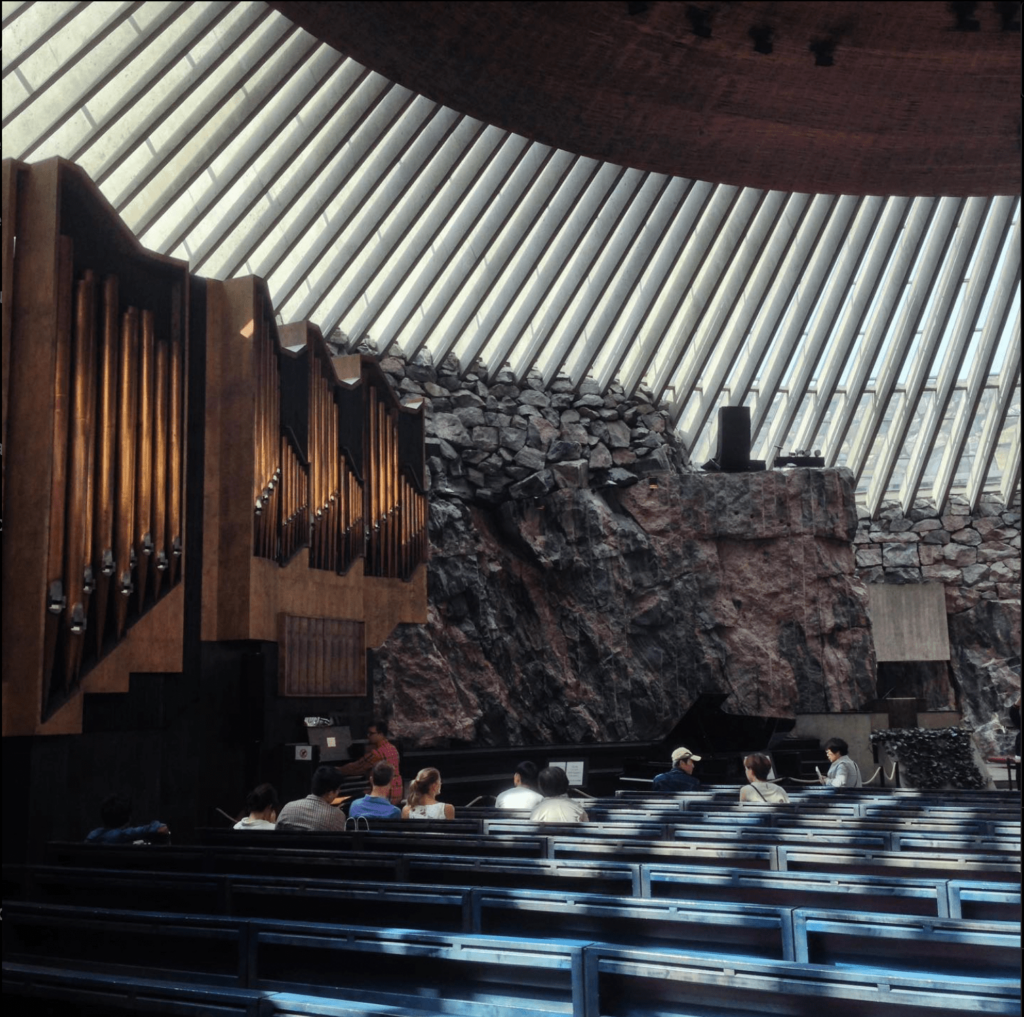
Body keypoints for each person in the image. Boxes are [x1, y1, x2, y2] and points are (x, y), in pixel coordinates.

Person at [338, 719, 403, 804]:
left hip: (385, 796)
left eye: (371, 733)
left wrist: (336, 770)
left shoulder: (378, 753)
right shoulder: (393, 748)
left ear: (381, 734)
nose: (368, 736)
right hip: (396, 793)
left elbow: (356, 768)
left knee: (348, 803)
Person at [276, 766, 347, 831]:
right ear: (330, 793)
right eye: (338, 789)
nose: (339, 792)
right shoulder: (337, 816)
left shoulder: (288, 807)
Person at [86, 794, 169, 844]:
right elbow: (160, 829)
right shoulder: (120, 835)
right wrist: (157, 824)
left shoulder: (93, 835)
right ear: (128, 818)